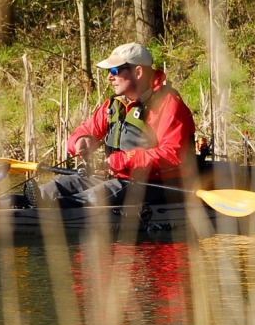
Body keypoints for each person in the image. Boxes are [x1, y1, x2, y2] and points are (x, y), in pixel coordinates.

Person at [27, 42, 196, 207]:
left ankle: (51, 210)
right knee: (56, 186)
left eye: (115, 70)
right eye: (109, 71)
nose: (109, 77)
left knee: (99, 194)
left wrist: (123, 160)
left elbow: (172, 155)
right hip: (117, 178)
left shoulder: (169, 105)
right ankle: (29, 201)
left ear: (138, 72)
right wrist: (80, 140)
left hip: (157, 185)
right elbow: (87, 129)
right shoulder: (114, 105)